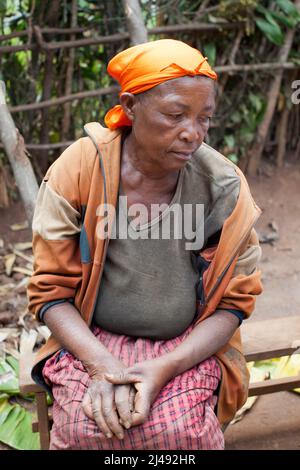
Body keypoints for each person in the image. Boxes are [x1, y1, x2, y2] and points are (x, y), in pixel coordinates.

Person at [27, 39, 263, 450]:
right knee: (86, 430)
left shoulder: (221, 186)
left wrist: (166, 367)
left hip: (187, 342)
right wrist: (102, 366)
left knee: (178, 433)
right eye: (175, 115)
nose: (192, 133)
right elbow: (50, 293)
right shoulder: (82, 170)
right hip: (92, 337)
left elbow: (233, 304)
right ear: (131, 106)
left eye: (204, 118)